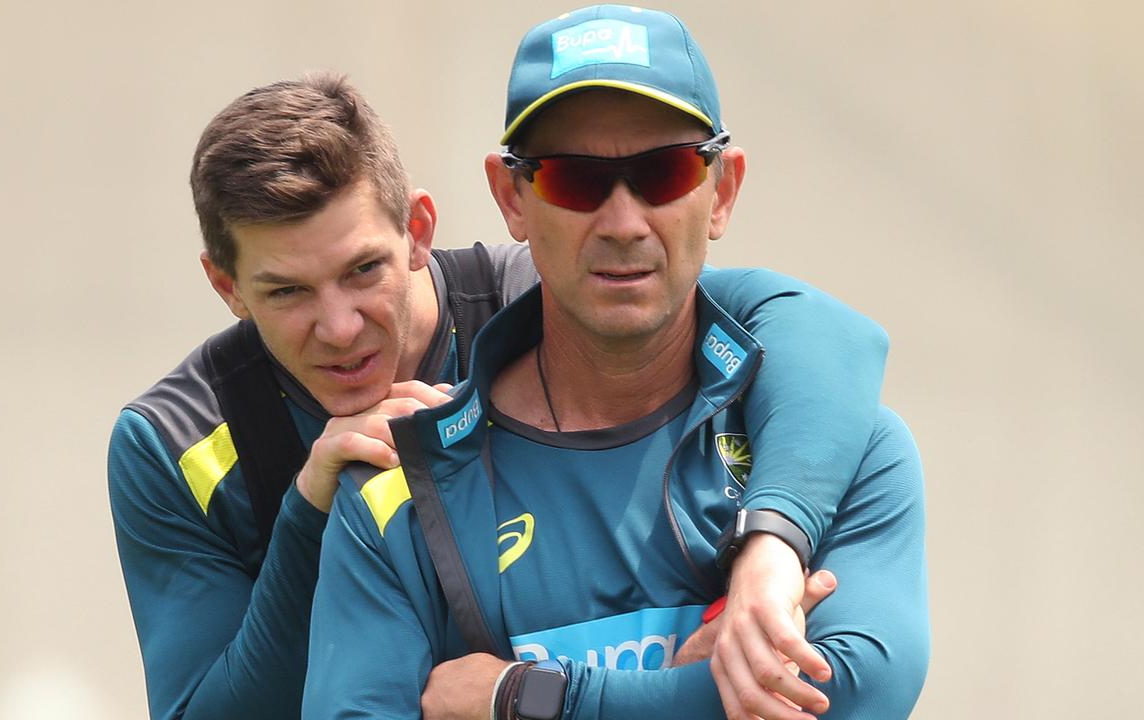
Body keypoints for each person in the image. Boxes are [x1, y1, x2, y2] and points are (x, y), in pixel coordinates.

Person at [110, 71, 892, 719]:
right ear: (226, 286)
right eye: (286, 293)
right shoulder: (175, 441)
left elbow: (823, 334)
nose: (341, 327)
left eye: (363, 271)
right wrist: (310, 515)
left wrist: (769, 552)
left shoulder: (542, 301)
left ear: (418, 230)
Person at [302, 6, 930, 720]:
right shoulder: (400, 494)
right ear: (513, 197)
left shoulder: (841, 448)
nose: (624, 223)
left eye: (662, 173)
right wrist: (702, 691)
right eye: (575, 181)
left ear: (720, 192)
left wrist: (522, 697)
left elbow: (854, 693)